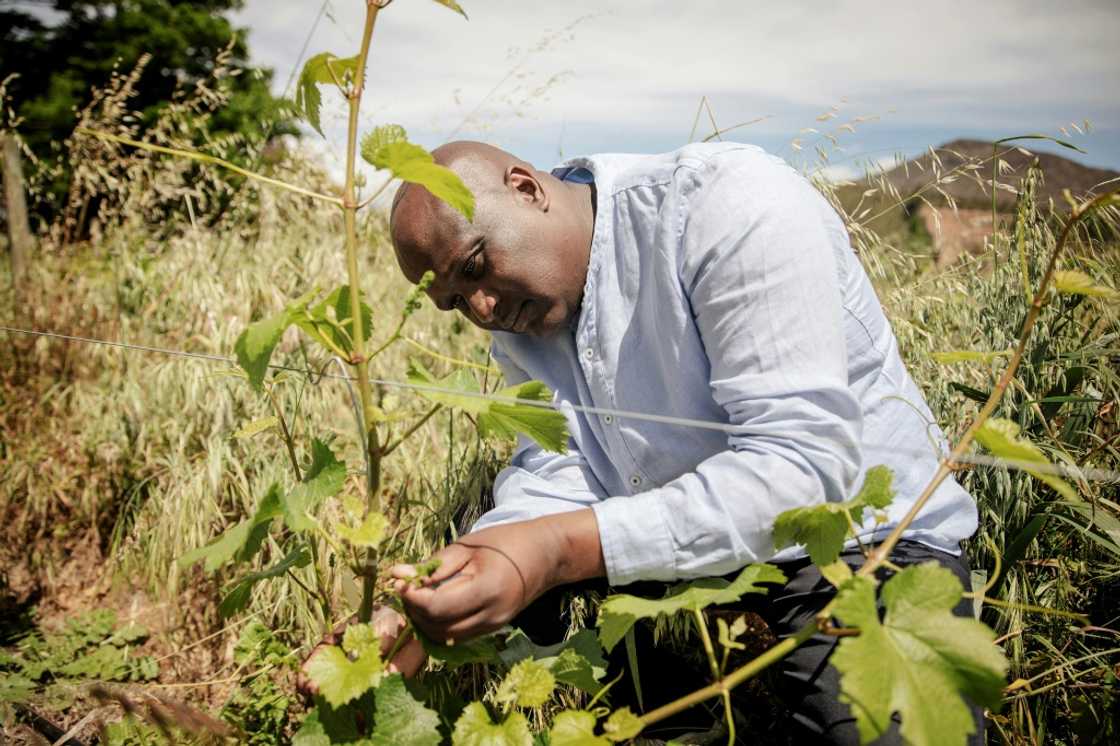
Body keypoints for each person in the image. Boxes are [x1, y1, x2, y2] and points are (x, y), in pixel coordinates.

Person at [380, 140, 982, 743]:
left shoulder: (724, 205)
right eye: (455, 302)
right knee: (492, 541)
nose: (482, 309)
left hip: (853, 544)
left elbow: (800, 471)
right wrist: (433, 597)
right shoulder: (524, 311)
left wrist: (558, 551)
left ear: (527, 189)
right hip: (681, 543)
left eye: (476, 267)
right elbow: (554, 467)